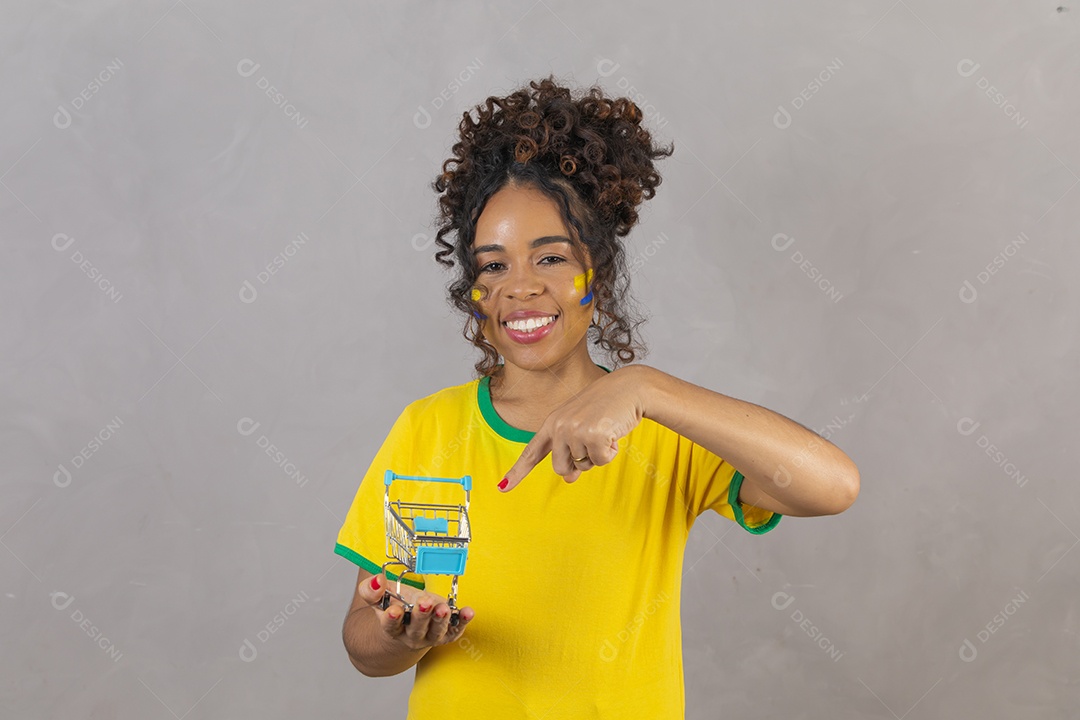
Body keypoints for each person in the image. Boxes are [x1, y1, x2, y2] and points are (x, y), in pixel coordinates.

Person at [335, 74, 860, 719]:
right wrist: (395, 633)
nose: (520, 288)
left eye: (551, 259)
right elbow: (363, 643)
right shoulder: (428, 429)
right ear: (472, 291)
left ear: (598, 275)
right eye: (493, 265)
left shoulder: (660, 427)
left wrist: (644, 386)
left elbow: (832, 485)